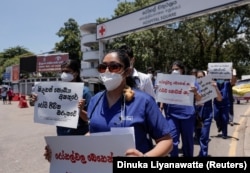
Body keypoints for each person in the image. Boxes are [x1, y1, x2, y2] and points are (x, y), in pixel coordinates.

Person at [84, 49, 173, 157]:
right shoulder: (95, 100)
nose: (107, 71)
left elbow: (166, 141)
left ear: (127, 72)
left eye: (114, 67)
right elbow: (94, 130)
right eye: (103, 67)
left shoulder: (144, 101)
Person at [33, 59, 93, 136]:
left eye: (67, 71)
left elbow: (90, 118)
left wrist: (79, 110)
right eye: (62, 71)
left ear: (76, 73)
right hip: (61, 134)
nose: (64, 74)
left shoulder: (85, 91)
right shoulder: (56, 91)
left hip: (80, 135)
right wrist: (39, 100)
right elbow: (49, 108)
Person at [162, 60, 202, 157]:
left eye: (177, 69)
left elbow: (200, 99)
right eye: (173, 69)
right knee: (173, 141)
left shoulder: (191, 81)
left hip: (187, 116)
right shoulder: (168, 82)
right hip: (172, 116)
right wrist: (160, 89)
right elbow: (162, 96)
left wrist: (195, 92)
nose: (174, 71)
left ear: (182, 70)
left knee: (188, 142)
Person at [195, 70, 222, 157]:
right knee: (199, 136)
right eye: (198, 77)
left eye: (201, 77)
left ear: (205, 77)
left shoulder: (210, 85)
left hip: (207, 115)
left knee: (204, 137)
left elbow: (219, 99)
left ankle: (203, 155)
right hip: (197, 115)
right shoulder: (194, 87)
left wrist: (215, 88)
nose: (200, 79)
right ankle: (202, 152)